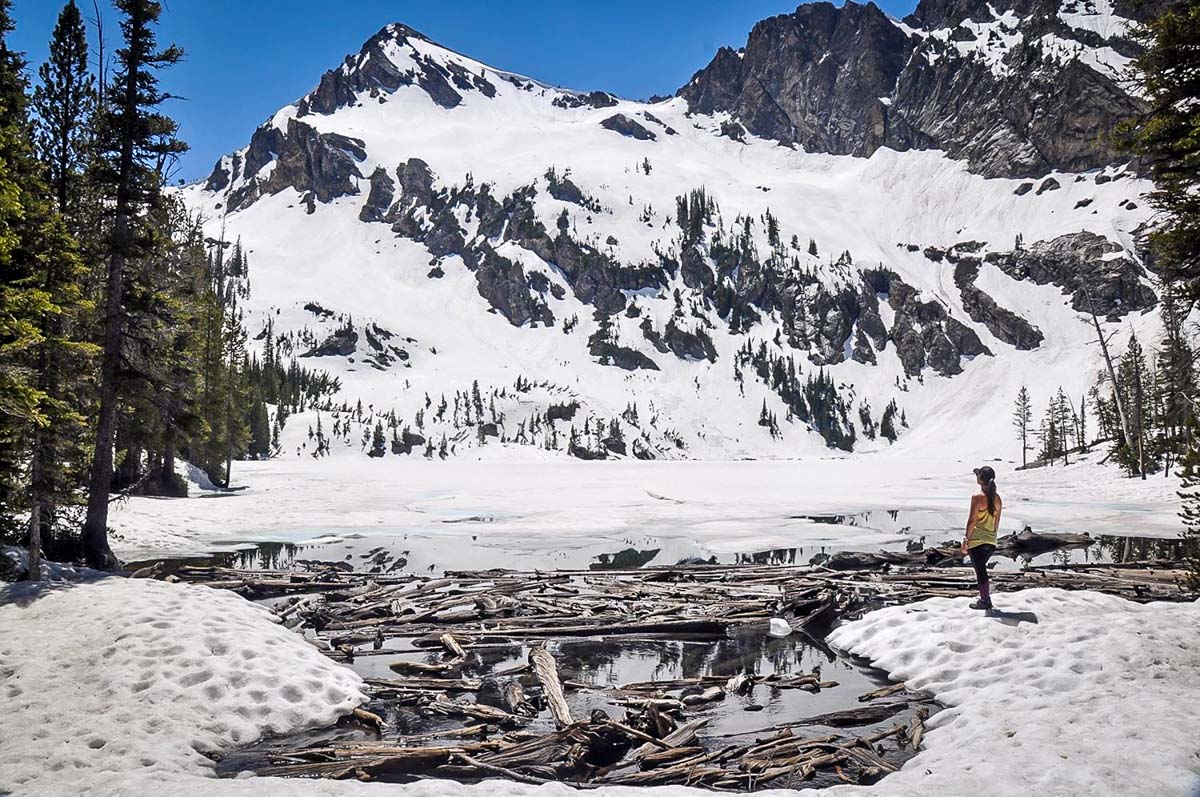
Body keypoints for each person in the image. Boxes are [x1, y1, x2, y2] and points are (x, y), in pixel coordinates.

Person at [961, 465, 1001, 610]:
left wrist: (966, 540)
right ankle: (984, 598)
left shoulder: (977, 498)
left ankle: (985, 600)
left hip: (977, 541)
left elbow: (972, 521)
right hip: (991, 541)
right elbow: (996, 523)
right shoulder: (997, 499)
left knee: (980, 571)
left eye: (977, 475)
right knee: (981, 569)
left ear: (980, 480)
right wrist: (992, 536)